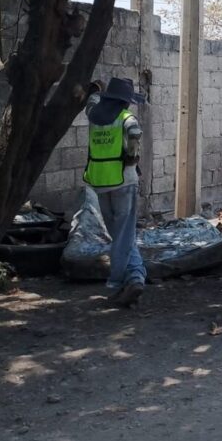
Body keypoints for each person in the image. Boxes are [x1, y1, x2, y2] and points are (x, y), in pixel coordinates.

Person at [83, 77, 147, 308]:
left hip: (100, 181)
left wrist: (96, 90)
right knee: (125, 234)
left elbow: (90, 101)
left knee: (119, 234)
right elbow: (135, 133)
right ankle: (124, 279)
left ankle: (134, 280)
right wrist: (132, 155)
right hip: (124, 180)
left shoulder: (94, 115)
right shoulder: (125, 118)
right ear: (125, 102)